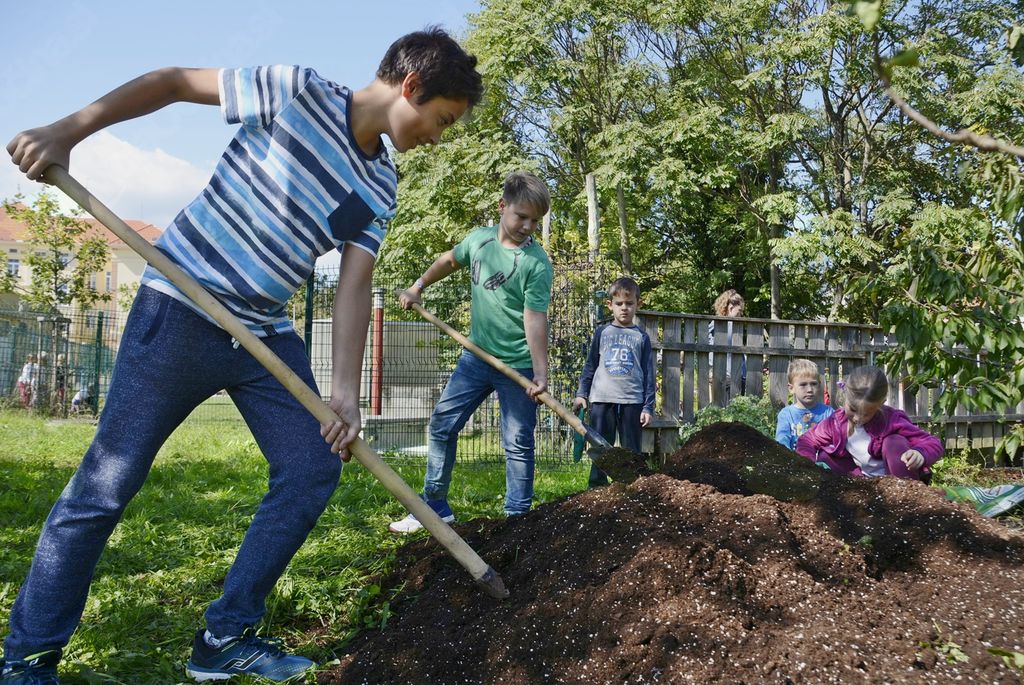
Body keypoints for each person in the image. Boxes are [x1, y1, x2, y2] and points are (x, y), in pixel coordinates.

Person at [2, 28, 483, 684]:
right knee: (105, 486)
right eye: (443, 119)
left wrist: (343, 390)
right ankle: (28, 657)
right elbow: (172, 81)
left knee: (314, 463)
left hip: (261, 334)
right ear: (412, 87)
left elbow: (354, 284)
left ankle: (224, 634)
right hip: (179, 308)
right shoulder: (298, 92)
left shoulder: (381, 184)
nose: (439, 135)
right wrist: (67, 131)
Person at [389, 171, 552, 534]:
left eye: (534, 221)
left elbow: (534, 319)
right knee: (443, 424)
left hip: (518, 366)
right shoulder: (479, 241)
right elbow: (449, 260)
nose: (527, 226)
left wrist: (540, 374)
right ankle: (434, 506)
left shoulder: (536, 264)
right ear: (502, 207)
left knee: (518, 442)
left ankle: (518, 520)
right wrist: (418, 286)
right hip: (475, 358)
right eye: (521, 217)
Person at [572, 277, 655, 487]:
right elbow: (590, 365)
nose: (624, 308)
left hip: (631, 401)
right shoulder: (602, 333)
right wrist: (582, 393)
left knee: (631, 449)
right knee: (600, 446)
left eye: (629, 303)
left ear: (638, 304)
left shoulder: (642, 338)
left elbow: (648, 374)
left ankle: (633, 485)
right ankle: (597, 486)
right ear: (610, 305)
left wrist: (648, 406)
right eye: (619, 304)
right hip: (602, 399)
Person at [795, 365, 943, 480]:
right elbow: (807, 440)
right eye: (852, 409)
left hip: (897, 481)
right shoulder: (837, 422)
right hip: (864, 484)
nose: (857, 418)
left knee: (894, 442)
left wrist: (920, 453)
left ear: (881, 404)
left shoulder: (892, 419)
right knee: (825, 455)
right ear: (845, 397)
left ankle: (907, 498)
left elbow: (933, 443)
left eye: (866, 414)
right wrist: (808, 465)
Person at [775, 358, 834, 450]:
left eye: (813, 384)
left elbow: (836, 441)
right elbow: (782, 442)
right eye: (803, 385)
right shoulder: (786, 414)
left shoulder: (828, 413)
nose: (809, 389)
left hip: (822, 462)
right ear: (791, 388)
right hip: (794, 461)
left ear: (819, 385)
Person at [709, 289, 746, 398]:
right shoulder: (724, 327)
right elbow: (712, 352)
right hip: (729, 378)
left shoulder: (716, 326)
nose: (741, 314)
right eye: (740, 311)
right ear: (730, 308)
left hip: (732, 376)